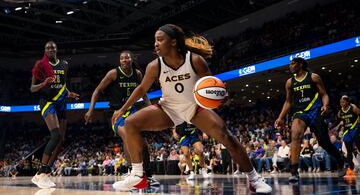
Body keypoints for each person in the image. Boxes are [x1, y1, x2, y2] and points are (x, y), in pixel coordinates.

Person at [111, 24, 272, 193]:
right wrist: (122, 109)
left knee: (226, 136)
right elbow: (142, 89)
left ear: (173, 42)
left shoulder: (195, 60)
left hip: (194, 107)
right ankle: (138, 177)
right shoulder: (154, 66)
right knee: (129, 123)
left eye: (160, 40)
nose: (155, 44)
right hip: (168, 108)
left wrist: (220, 95)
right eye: (155, 41)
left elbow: (211, 85)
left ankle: (254, 179)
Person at [84, 51, 158, 185]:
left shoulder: (138, 74)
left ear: (131, 59)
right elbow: (97, 90)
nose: (124, 60)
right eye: (122, 58)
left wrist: (151, 108)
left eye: (127, 58)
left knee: (144, 145)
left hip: (134, 111)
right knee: (128, 137)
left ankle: (148, 174)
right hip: (116, 113)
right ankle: (132, 171)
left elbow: (143, 93)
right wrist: (90, 109)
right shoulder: (113, 73)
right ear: (119, 61)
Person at [275, 57, 345, 182]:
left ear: (300, 65)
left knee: (324, 142)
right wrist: (280, 117)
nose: (290, 66)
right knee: (295, 135)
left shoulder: (314, 77)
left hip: (314, 111)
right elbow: (288, 101)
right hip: (299, 112)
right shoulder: (289, 82)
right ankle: (294, 171)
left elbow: (324, 94)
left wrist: (325, 105)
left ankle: (340, 160)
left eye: (293, 63)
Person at [30, 41, 79, 188]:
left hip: (61, 102)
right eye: (47, 48)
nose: (50, 49)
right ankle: (41, 172)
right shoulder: (40, 65)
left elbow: (62, 85)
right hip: (47, 102)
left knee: (61, 139)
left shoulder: (64, 64)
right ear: (45, 51)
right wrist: (44, 83)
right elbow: (32, 88)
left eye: (52, 47)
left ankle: (44, 174)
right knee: (55, 135)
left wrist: (68, 93)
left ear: (57, 49)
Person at [337, 95, 360, 176]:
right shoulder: (340, 112)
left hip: (354, 129)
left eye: (343, 102)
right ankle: (351, 168)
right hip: (347, 131)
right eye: (340, 102)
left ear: (347, 102)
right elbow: (341, 120)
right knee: (348, 151)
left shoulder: (353, 108)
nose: (341, 103)